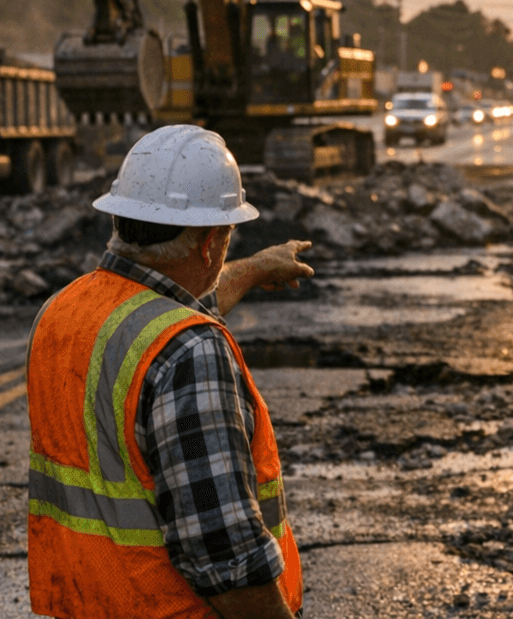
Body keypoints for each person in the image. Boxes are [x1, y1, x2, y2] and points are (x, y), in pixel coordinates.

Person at [27, 125, 313, 619]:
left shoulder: (61, 312)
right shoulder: (191, 351)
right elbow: (226, 556)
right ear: (209, 244)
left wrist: (253, 268)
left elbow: (166, 306)